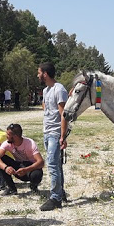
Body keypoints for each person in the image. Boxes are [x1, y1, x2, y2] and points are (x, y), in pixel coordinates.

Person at [37, 62, 69, 211]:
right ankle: (60, 192)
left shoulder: (59, 89)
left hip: (55, 133)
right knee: (56, 164)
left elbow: (64, 114)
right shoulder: (45, 90)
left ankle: (55, 198)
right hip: (46, 131)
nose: (38, 75)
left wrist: (63, 136)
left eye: (39, 72)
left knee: (51, 164)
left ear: (45, 74)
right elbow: (46, 106)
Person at [0, 123, 44, 196]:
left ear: (15, 136)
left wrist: (26, 169)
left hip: (29, 168)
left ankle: (33, 186)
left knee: (37, 174)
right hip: (18, 166)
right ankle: (11, 188)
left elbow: (41, 162)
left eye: (8, 135)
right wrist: (6, 168)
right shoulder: (7, 143)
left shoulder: (30, 143)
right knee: (1, 159)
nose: (6, 136)